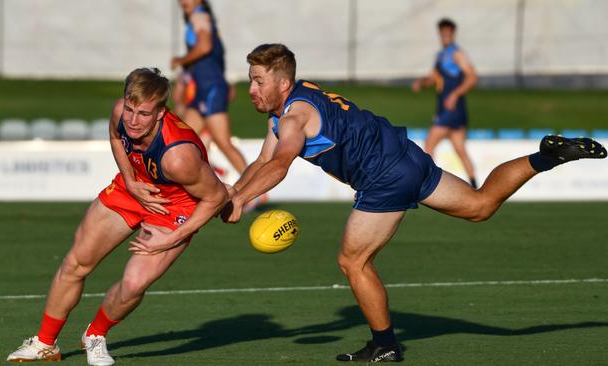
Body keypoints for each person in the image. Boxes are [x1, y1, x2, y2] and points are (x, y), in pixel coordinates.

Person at [221, 43, 606, 363]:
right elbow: (262, 161)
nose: (251, 89)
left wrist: (242, 199)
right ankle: (547, 157)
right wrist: (235, 194)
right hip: (405, 155)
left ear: (283, 82)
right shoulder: (289, 108)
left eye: (258, 81)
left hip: (384, 176)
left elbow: (281, 165)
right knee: (480, 206)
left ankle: (384, 343)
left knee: (352, 261)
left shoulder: (294, 118)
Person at [6, 68, 228, 365]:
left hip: (176, 206)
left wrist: (173, 238)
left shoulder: (178, 156)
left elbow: (216, 197)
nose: (134, 121)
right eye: (131, 109)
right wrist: (131, 180)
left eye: (145, 114)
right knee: (76, 263)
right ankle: (45, 344)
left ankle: (95, 335)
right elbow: (115, 136)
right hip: (131, 187)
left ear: (161, 113)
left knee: (134, 284)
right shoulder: (120, 113)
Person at [170, 0, 248, 176]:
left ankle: (256, 191)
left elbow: (205, 47)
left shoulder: (199, 16)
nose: (183, 2)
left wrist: (181, 61)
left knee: (223, 143)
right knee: (180, 140)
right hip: (204, 90)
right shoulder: (202, 18)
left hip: (210, 90)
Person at [412, 18, 478, 188]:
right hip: (448, 109)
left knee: (429, 144)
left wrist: (455, 94)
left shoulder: (457, 54)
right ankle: (475, 186)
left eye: (449, 32)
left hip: (452, 109)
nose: (446, 35)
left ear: (453, 33)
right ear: (440, 33)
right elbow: (433, 79)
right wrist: (422, 82)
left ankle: (429, 185)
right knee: (460, 149)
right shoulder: (441, 55)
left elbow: (472, 77)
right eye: (443, 32)